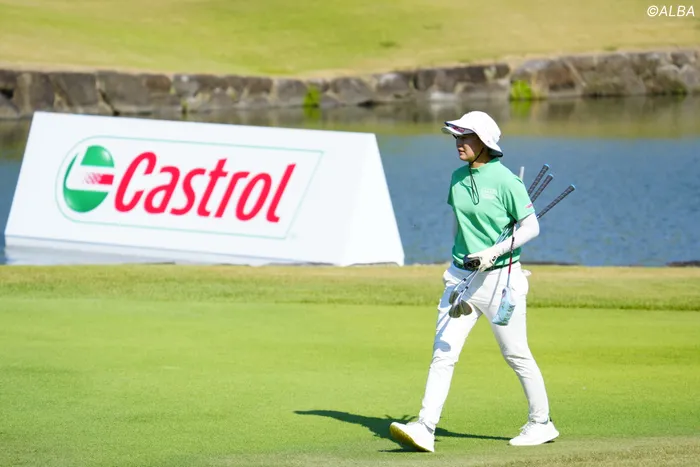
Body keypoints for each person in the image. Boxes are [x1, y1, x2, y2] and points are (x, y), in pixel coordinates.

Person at [389, 111, 559, 452]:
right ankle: (425, 427)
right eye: (457, 137)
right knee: (443, 353)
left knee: (516, 354)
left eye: (465, 137)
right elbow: (459, 224)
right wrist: (454, 264)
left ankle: (541, 423)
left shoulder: (507, 181)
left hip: (501, 280)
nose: (459, 143)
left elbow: (531, 227)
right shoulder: (456, 178)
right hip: (461, 279)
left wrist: (493, 252)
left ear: (484, 142)